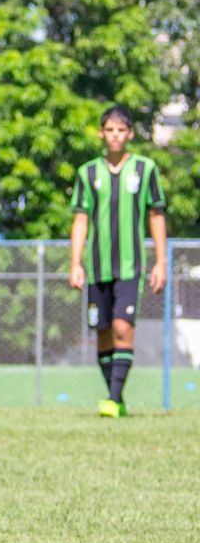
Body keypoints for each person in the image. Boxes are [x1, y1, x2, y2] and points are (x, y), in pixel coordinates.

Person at [68, 106, 166, 417]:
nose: (115, 136)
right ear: (101, 133)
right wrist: (75, 262)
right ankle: (115, 397)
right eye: (109, 130)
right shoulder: (88, 173)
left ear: (130, 134)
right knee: (104, 331)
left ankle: (113, 398)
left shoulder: (145, 169)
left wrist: (161, 262)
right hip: (98, 268)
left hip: (129, 267)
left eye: (121, 130)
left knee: (124, 327)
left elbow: (156, 215)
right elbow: (81, 220)